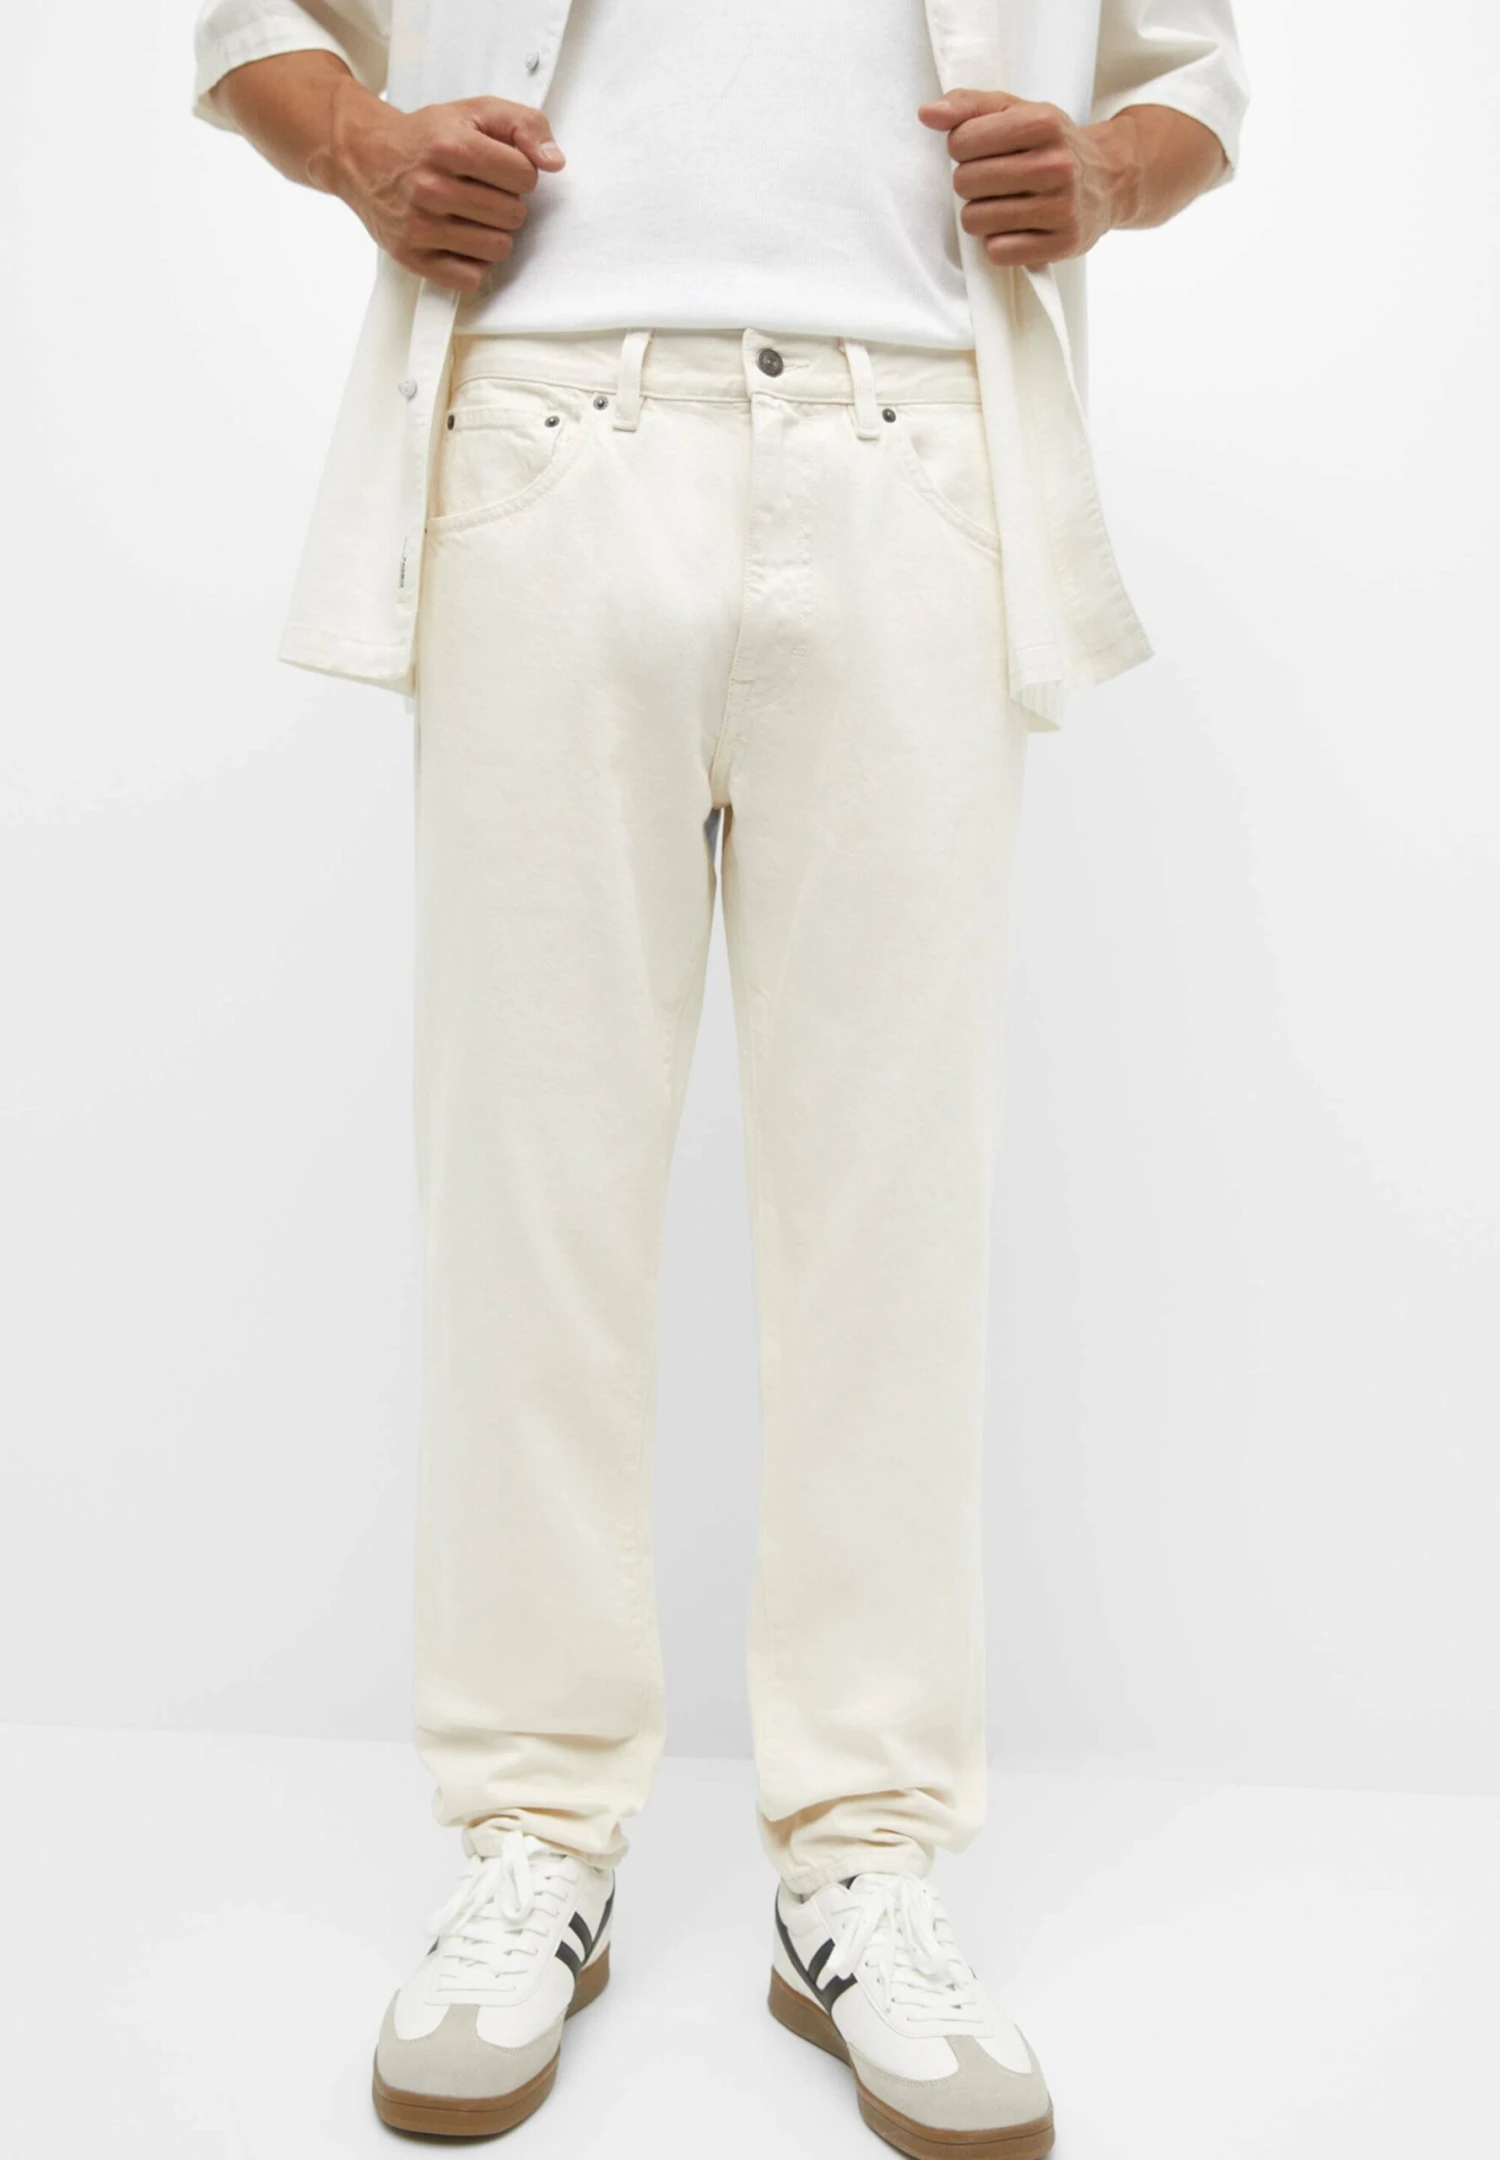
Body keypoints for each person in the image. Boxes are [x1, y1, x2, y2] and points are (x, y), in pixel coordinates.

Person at [192, 2, 1247, 2150]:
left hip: (921, 439)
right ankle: (534, 1832)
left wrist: (1113, 173)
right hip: (540, 430)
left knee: (893, 1200)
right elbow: (247, 24)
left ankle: (864, 1851)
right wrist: (358, 146)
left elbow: (1193, 67)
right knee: (531, 1184)